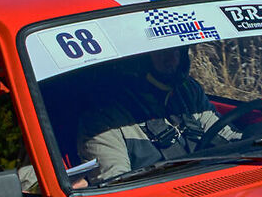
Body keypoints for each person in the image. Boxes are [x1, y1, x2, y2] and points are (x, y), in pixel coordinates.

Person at [73, 46, 220, 180]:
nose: (173, 60)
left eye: (177, 50)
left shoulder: (187, 92)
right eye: (162, 52)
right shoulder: (102, 119)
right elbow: (116, 185)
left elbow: (222, 134)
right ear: (137, 58)